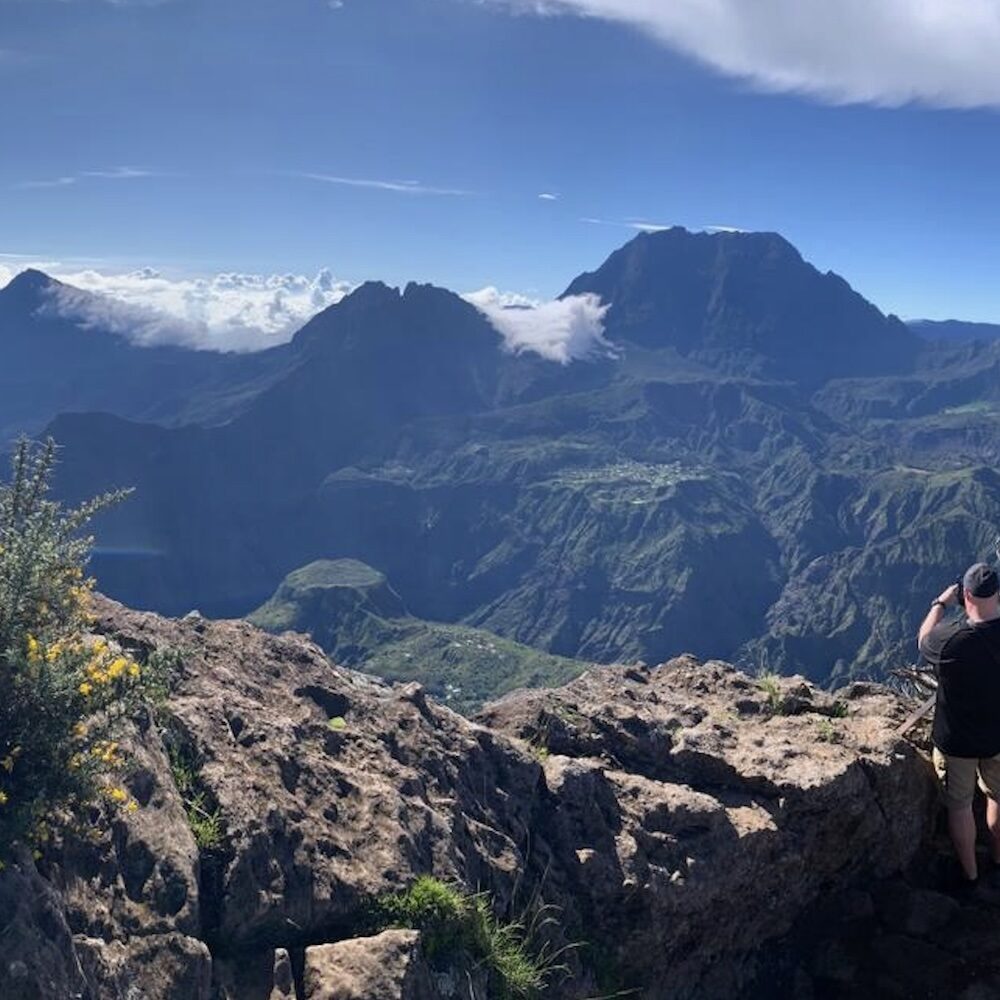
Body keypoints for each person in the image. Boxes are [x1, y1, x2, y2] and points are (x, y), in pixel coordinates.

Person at [919, 562, 1000, 886]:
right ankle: (998, 858)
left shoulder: (950, 640)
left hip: (958, 743)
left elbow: (923, 639)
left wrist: (940, 603)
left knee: (960, 805)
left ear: (966, 594)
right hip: (998, 739)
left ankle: (970, 874)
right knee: (998, 797)